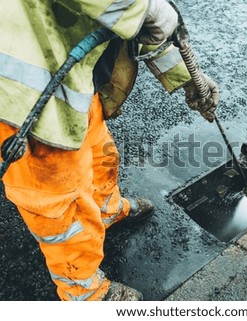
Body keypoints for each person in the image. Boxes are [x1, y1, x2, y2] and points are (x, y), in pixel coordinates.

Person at [0, 0, 219, 301]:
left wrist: (187, 77)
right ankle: (84, 293)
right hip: (23, 98)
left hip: (71, 76)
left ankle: (105, 211)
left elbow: (137, 29)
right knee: (61, 208)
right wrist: (143, 8)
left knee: (101, 157)